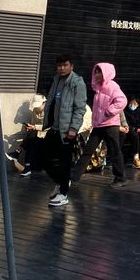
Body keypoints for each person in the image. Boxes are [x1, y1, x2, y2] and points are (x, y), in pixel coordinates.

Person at [42, 54, 87, 208]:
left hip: (67, 131)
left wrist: (73, 129)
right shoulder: (56, 80)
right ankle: (61, 182)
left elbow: (80, 109)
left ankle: (63, 194)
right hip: (54, 128)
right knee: (44, 158)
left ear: (71, 66)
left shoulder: (77, 83)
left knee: (64, 162)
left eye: (65, 65)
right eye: (59, 65)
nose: (61, 68)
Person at [72, 62, 128, 187]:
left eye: (100, 72)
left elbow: (122, 101)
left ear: (106, 73)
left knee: (114, 152)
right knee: (87, 151)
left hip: (110, 125)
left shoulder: (112, 86)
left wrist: (109, 112)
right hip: (98, 126)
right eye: (96, 71)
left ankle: (120, 178)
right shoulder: (98, 87)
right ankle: (74, 177)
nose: (97, 74)